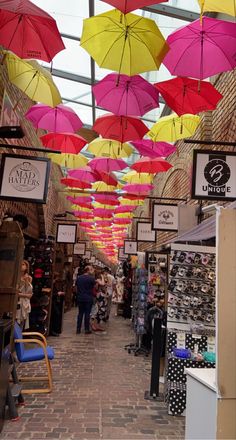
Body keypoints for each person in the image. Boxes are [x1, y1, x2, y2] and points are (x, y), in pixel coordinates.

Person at [76, 265, 95, 334]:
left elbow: (76, 288)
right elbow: (94, 287)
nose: (92, 271)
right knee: (87, 314)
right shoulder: (91, 279)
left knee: (80, 313)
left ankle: (78, 329)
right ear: (88, 270)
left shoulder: (79, 278)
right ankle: (86, 329)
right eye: (91, 269)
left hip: (80, 297)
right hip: (88, 298)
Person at [16, 260, 33, 329]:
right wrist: (25, 295)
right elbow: (16, 292)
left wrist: (23, 295)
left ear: (26, 267)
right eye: (20, 264)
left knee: (22, 321)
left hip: (25, 302)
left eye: (23, 264)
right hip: (18, 301)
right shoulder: (16, 277)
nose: (21, 266)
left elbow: (30, 294)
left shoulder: (29, 278)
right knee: (16, 320)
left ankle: (19, 337)